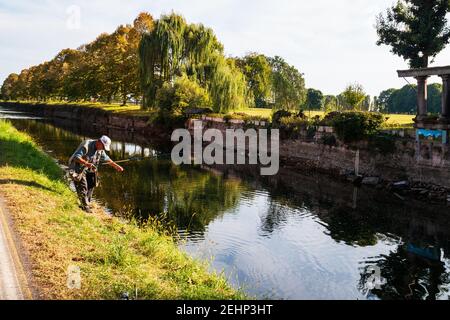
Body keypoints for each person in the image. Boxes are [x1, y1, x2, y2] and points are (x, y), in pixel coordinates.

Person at [68, 135, 124, 212]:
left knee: (92, 184)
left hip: (89, 168)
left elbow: (107, 159)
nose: (103, 149)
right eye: (103, 147)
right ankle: (85, 206)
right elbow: (76, 157)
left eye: (105, 148)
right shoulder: (86, 145)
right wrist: (86, 163)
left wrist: (116, 166)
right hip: (77, 166)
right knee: (83, 186)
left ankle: (86, 202)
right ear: (99, 142)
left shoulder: (100, 149)